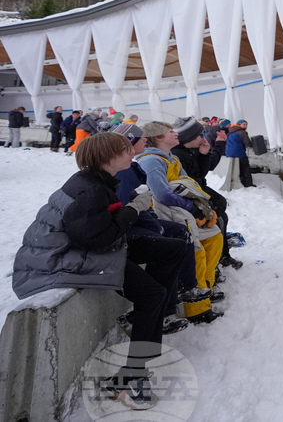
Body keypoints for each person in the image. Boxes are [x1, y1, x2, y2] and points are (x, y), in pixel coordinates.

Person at [12, 132, 186, 411]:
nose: (132, 154)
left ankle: (150, 317)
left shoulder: (97, 182)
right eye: (126, 150)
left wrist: (129, 208)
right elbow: (95, 239)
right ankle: (131, 377)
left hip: (85, 249)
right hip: (62, 259)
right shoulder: (89, 190)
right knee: (152, 294)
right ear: (106, 158)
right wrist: (133, 209)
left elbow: (99, 230)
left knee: (173, 248)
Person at [112, 122, 210, 332]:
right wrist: (188, 208)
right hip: (121, 233)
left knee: (178, 235)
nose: (144, 141)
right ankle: (171, 304)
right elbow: (125, 207)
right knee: (172, 244)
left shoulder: (135, 165)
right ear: (129, 145)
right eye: (140, 139)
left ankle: (183, 292)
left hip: (138, 221)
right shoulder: (137, 166)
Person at [137, 121, 225, 324]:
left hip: (183, 211)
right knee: (196, 254)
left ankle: (205, 291)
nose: (175, 134)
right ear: (158, 137)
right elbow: (162, 194)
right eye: (170, 131)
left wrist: (200, 206)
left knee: (214, 238)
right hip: (170, 215)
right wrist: (191, 207)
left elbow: (190, 183)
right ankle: (195, 308)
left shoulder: (172, 158)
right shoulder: (151, 161)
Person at [172, 116, 243, 269]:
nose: (203, 137)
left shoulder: (188, 150)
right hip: (191, 196)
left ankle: (221, 255)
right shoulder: (179, 155)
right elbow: (196, 177)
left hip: (198, 190)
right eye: (200, 135)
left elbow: (205, 169)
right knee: (219, 220)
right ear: (189, 137)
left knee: (221, 214)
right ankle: (217, 259)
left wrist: (211, 149)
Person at [226, 119, 255, 187]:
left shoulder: (230, 131)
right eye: (244, 124)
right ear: (239, 125)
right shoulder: (242, 132)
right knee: (245, 167)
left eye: (246, 124)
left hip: (229, 153)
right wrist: (253, 144)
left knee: (236, 168)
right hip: (239, 153)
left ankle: (238, 181)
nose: (245, 126)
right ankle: (248, 183)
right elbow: (247, 143)